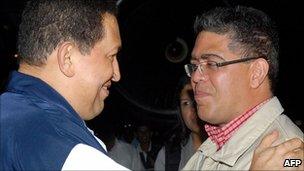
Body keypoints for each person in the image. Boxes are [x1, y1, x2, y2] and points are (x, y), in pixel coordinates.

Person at [0, 0, 127, 170]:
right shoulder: (62, 147)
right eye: (111, 56)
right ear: (68, 58)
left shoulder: (10, 116)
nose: (117, 74)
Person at [182, 6, 303, 170]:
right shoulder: (212, 146)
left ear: (256, 73)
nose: (195, 77)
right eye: (195, 66)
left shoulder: (289, 155)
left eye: (211, 63)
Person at [154, 75, 207, 171]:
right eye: (186, 103)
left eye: (197, 100)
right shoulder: (169, 156)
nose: (194, 109)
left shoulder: (232, 148)